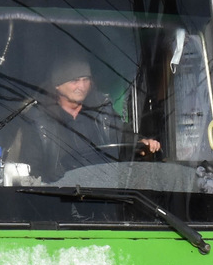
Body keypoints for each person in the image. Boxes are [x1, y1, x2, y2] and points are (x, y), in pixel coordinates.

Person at [8, 50, 160, 183]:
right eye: (74, 81)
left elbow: (122, 136)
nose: (81, 86)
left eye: (85, 79)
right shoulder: (39, 122)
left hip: (108, 194)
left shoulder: (102, 110)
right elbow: (32, 172)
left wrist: (140, 143)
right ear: (57, 85)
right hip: (62, 200)